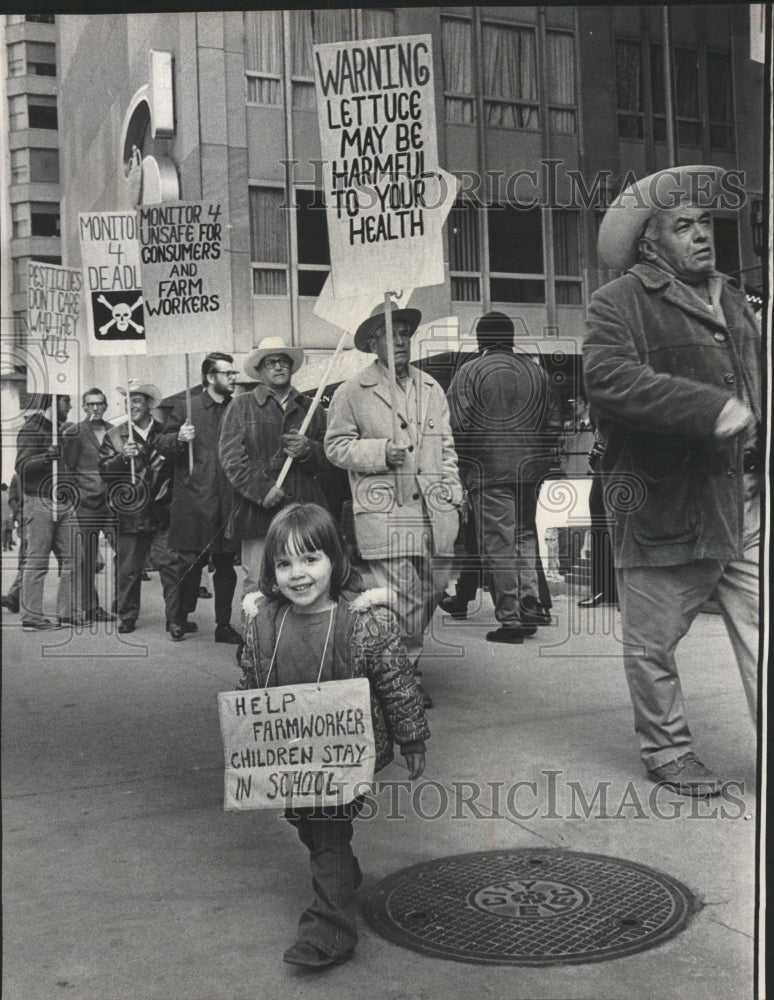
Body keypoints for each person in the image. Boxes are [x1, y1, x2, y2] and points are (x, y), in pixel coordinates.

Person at [583, 165, 762, 796]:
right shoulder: (618, 303)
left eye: (706, 222)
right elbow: (608, 381)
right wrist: (707, 409)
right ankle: (667, 751)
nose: (702, 235)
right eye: (683, 226)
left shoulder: (735, 297)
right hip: (667, 506)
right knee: (652, 643)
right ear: (649, 243)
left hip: (744, 503)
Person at [237, 503, 428, 968]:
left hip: (346, 753)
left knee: (325, 835)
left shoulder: (365, 622)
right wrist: (246, 739)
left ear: (336, 560)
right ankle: (343, 869)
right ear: (271, 570)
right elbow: (250, 684)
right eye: (284, 563)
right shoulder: (264, 624)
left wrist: (412, 738)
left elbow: (397, 683)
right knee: (308, 826)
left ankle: (330, 932)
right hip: (290, 755)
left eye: (310, 559)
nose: (297, 574)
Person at [325, 302, 462, 707]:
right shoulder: (351, 392)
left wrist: (452, 489)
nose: (401, 341)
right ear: (373, 343)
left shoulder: (431, 388)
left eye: (405, 333)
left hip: (434, 514)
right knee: (403, 595)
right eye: (391, 334)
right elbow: (335, 446)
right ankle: (404, 676)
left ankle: (384, 660)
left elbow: (448, 448)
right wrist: (382, 452)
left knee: (433, 590)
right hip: (385, 512)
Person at [446, 311, 563, 642]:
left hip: (489, 471)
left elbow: (456, 426)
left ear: (481, 339)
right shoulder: (537, 372)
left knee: (499, 542)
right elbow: (555, 424)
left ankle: (510, 619)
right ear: (511, 338)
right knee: (525, 535)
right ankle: (530, 603)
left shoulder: (468, 372)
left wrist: (468, 464)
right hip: (531, 470)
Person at [219, 336, 330, 597]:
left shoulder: (310, 408)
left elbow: (329, 456)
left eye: (283, 362)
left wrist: (308, 450)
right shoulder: (241, 406)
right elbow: (231, 458)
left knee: (302, 581)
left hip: (303, 509)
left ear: (291, 368)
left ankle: (293, 636)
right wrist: (261, 490)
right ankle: (256, 637)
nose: (278, 367)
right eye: (271, 363)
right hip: (258, 512)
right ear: (259, 370)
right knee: (258, 582)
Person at [157, 352, 241, 643]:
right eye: (227, 373)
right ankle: (178, 618)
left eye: (233, 373)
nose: (234, 377)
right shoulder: (186, 409)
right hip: (193, 500)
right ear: (210, 377)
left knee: (226, 564)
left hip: (227, 501)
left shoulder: (237, 408)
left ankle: (223, 625)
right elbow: (162, 445)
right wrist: (179, 438)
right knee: (189, 564)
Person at [99, 381, 177, 634]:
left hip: (162, 510)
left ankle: (175, 619)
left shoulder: (165, 433)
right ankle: (128, 615)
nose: (130, 405)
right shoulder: (114, 436)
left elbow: (177, 470)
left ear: (149, 404)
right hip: (130, 511)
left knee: (170, 567)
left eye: (136, 400)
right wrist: (123, 458)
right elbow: (104, 472)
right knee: (129, 570)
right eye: (127, 401)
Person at [15, 394, 79, 630]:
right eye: (66, 402)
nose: (70, 406)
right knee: (37, 560)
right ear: (53, 402)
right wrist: (45, 457)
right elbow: (21, 468)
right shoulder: (32, 429)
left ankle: (67, 612)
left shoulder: (58, 430)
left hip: (63, 501)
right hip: (40, 501)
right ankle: (32, 617)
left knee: (75, 557)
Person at [62, 388, 117, 623]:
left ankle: (122, 601)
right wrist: (78, 497)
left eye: (100, 403)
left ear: (106, 406)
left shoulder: (115, 431)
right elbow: (68, 469)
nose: (95, 408)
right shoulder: (74, 432)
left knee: (126, 553)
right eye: (90, 404)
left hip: (114, 503)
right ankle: (91, 607)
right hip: (87, 504)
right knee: (88, 559)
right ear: (84, 407)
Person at [1, 474, 24, 613]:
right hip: (29, 520)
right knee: (29, 561)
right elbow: (12, 499)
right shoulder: (18, 476)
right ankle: (14, 596)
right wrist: (19, 513)